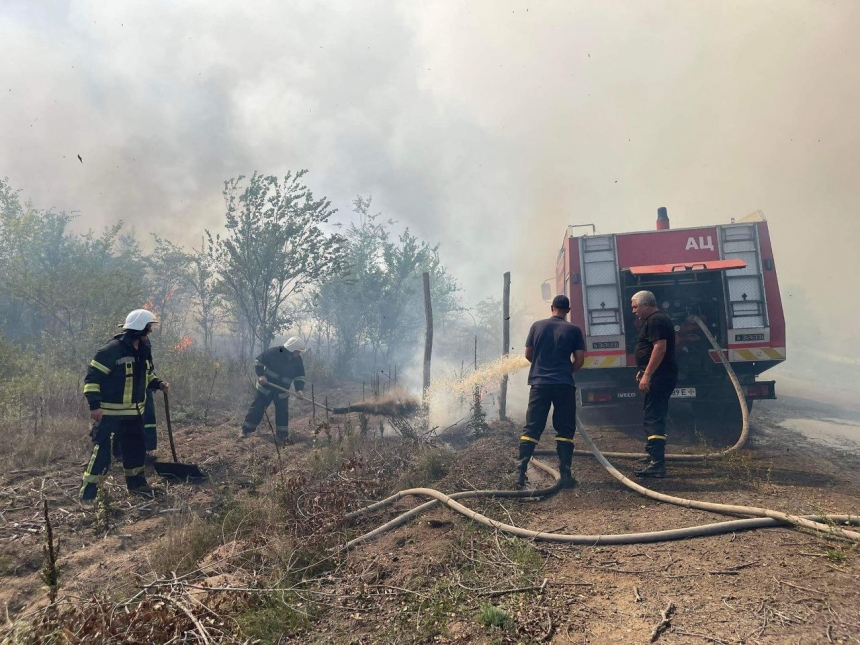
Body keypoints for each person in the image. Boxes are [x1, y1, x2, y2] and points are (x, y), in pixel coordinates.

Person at [80, 309, 169, 502]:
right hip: (109, 414)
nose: (150, 332)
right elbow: (92, 379)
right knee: (101, 454)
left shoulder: (144, 349)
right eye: (148, 328)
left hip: (135, 413)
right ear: (139, 329)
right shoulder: (111, 351)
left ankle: (137, 485)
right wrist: (94, 405)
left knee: (136, 450)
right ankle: (89, 495)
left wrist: (158, 383)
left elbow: (147, 373)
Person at [517, 295, 586, 489]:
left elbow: (528, 354)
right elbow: (580, 360)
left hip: (539, 384)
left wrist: (542, 368)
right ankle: (565, 475)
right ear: (568, 311)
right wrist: (566, 371)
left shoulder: (537, 326)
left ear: (552, 308)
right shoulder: (574, 330)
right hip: (564, 385)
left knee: (532, 427)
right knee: (565, 429)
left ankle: (520, 474)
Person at [631, 290, 678, 478]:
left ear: (646, 305)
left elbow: (659, 349)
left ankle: (657, 464)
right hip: (658, 375)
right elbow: (651, 350)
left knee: (653, 417)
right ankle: (652, 455)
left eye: (635, 307)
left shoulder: (656, 321)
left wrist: (647, 375)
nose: (634, 311)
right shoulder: (655, 320)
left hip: (660, 376)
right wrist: (643, 371)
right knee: (652, 414)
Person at [240, 337, 307, 441]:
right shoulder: (275, 352)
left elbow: (299, 376)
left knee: (282, 413)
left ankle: (282, 435)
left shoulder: (297, 360)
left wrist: (299, 389)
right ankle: (246, 430)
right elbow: (259, 362)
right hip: (266, 387)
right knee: (257, 408)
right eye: (297, 351)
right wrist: (261, 375)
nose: (299, 354)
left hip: (282, 391)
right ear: (291, 349)